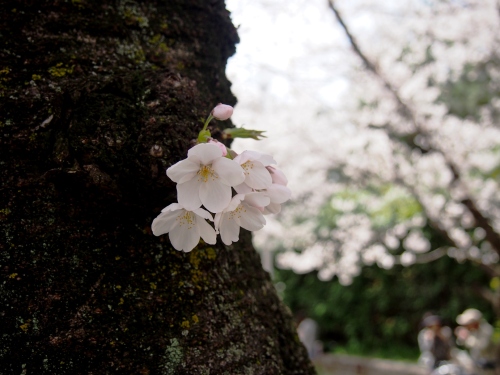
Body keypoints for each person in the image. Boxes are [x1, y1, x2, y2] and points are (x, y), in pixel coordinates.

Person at [455, 308, 496, 374]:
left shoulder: (487, 330)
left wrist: (466, 338)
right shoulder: (473, 331)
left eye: (467, 324)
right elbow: (460, 343)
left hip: (488, 368)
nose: (466, 326)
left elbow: (482, 346)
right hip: (478, 368)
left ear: (474, 323)